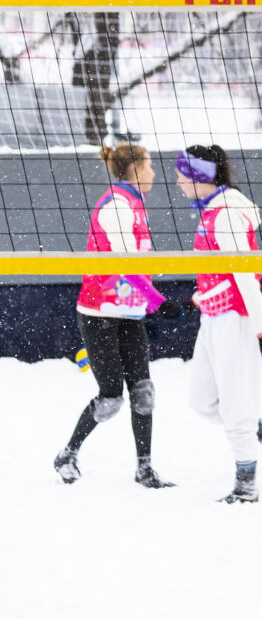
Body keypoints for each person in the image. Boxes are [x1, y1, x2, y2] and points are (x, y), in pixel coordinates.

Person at [54, 143, 181, 488]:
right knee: (110, 397)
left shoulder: (135, 204)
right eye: (150, 165)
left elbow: (137, 263)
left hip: (128, 310)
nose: (154, 172)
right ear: (136, 168)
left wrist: (147, 297)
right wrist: (157, 301)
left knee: (143, 390)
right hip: (99, 311)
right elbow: (124, 264)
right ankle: (67, 454)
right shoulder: (116, 205)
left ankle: (144, 468)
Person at [175, 145, 262, 503]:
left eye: (184, 176)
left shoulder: (227, 212)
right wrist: (199, 297)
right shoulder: (211, 209)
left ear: (201, 177)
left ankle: (246, 487)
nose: (179, 183)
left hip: (235, 318)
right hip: (212, 317)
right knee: (202, 402)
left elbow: (246, 276)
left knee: (236, 407)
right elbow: (219, 272)